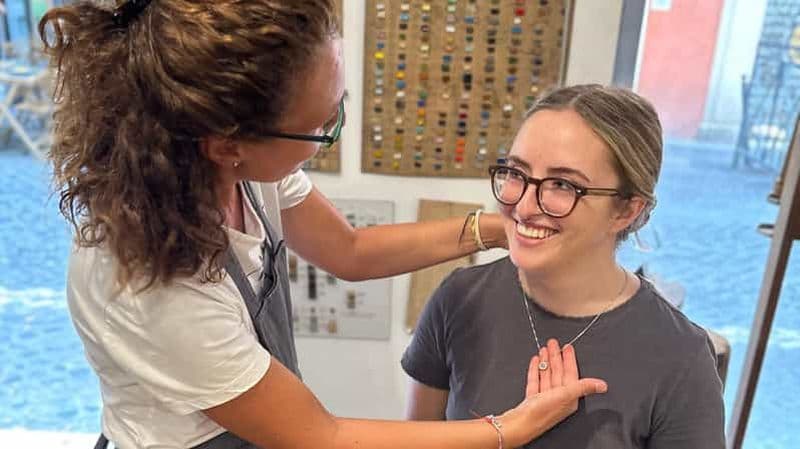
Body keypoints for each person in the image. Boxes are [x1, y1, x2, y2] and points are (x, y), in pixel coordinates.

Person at [39, 1, 608, 448]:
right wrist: (512, 429)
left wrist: (494, 227)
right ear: (226, 144)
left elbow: (351, 251)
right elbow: (322, 437)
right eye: (321, 128)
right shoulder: (152, 288)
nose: (332, 128)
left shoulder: (244, 172)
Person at [402, 85, 726, 448]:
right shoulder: (459, 299)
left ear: (626, 209)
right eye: (516, 172)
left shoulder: (681, 358)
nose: (524, 206)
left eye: (561, 184)